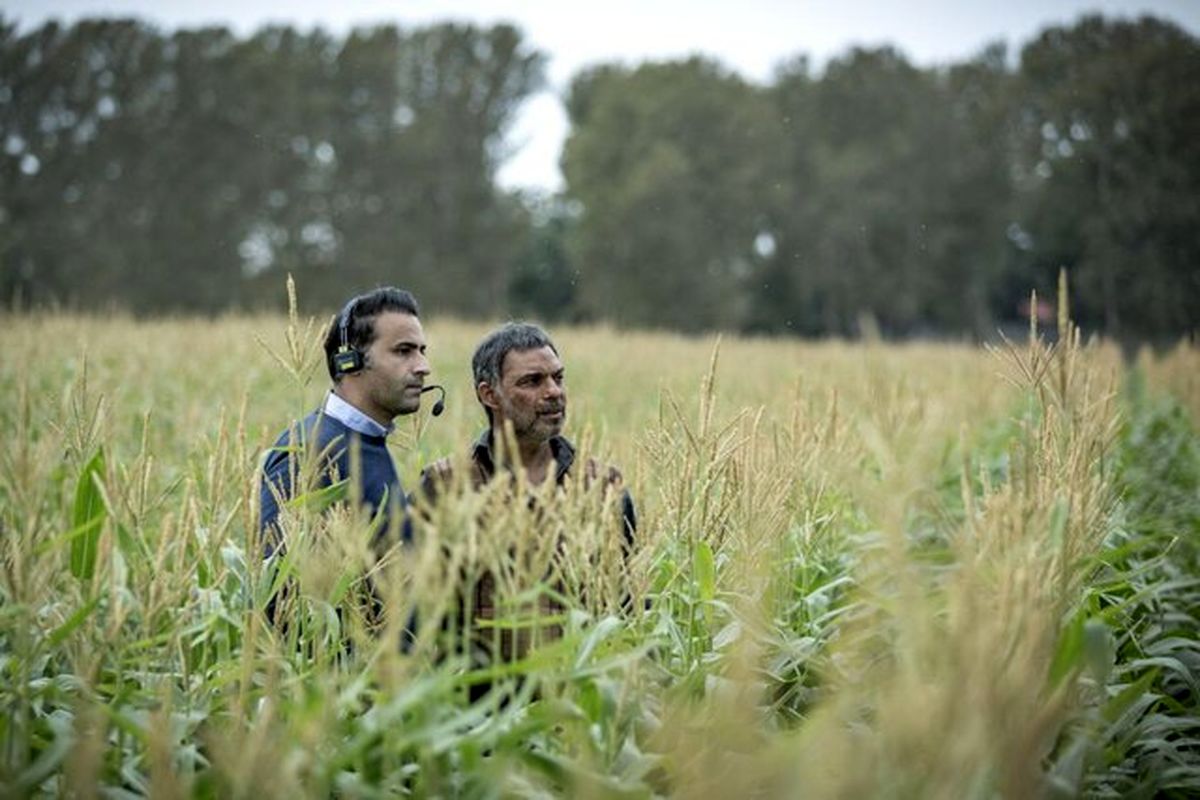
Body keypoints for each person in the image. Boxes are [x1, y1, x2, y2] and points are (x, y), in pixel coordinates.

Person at [419, 322, 636, 665]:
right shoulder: (445, 486)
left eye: (558, 378)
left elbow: (626, 607)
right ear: (489, 395)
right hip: (477, 706)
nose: (554, 392)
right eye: (532, 381)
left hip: (578, 697)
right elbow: (416, 606)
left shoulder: (602, 488)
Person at [259, 286, 434, 555]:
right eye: (404, 351)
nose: (423, 366)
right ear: (349, 361)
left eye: (422, 350)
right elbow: (276, 585)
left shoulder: (368, 441)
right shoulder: (309, 451)